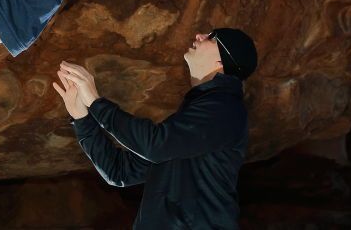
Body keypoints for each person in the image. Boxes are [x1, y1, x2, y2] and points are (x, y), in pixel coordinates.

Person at [54, 28, 259, 229]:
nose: (200, 35)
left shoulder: (224, 110)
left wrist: (95, 102)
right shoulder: (195, 119)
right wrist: (81, 117)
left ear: (221, 62)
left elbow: (155, 145)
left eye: (212, 38)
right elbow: (119, 171)